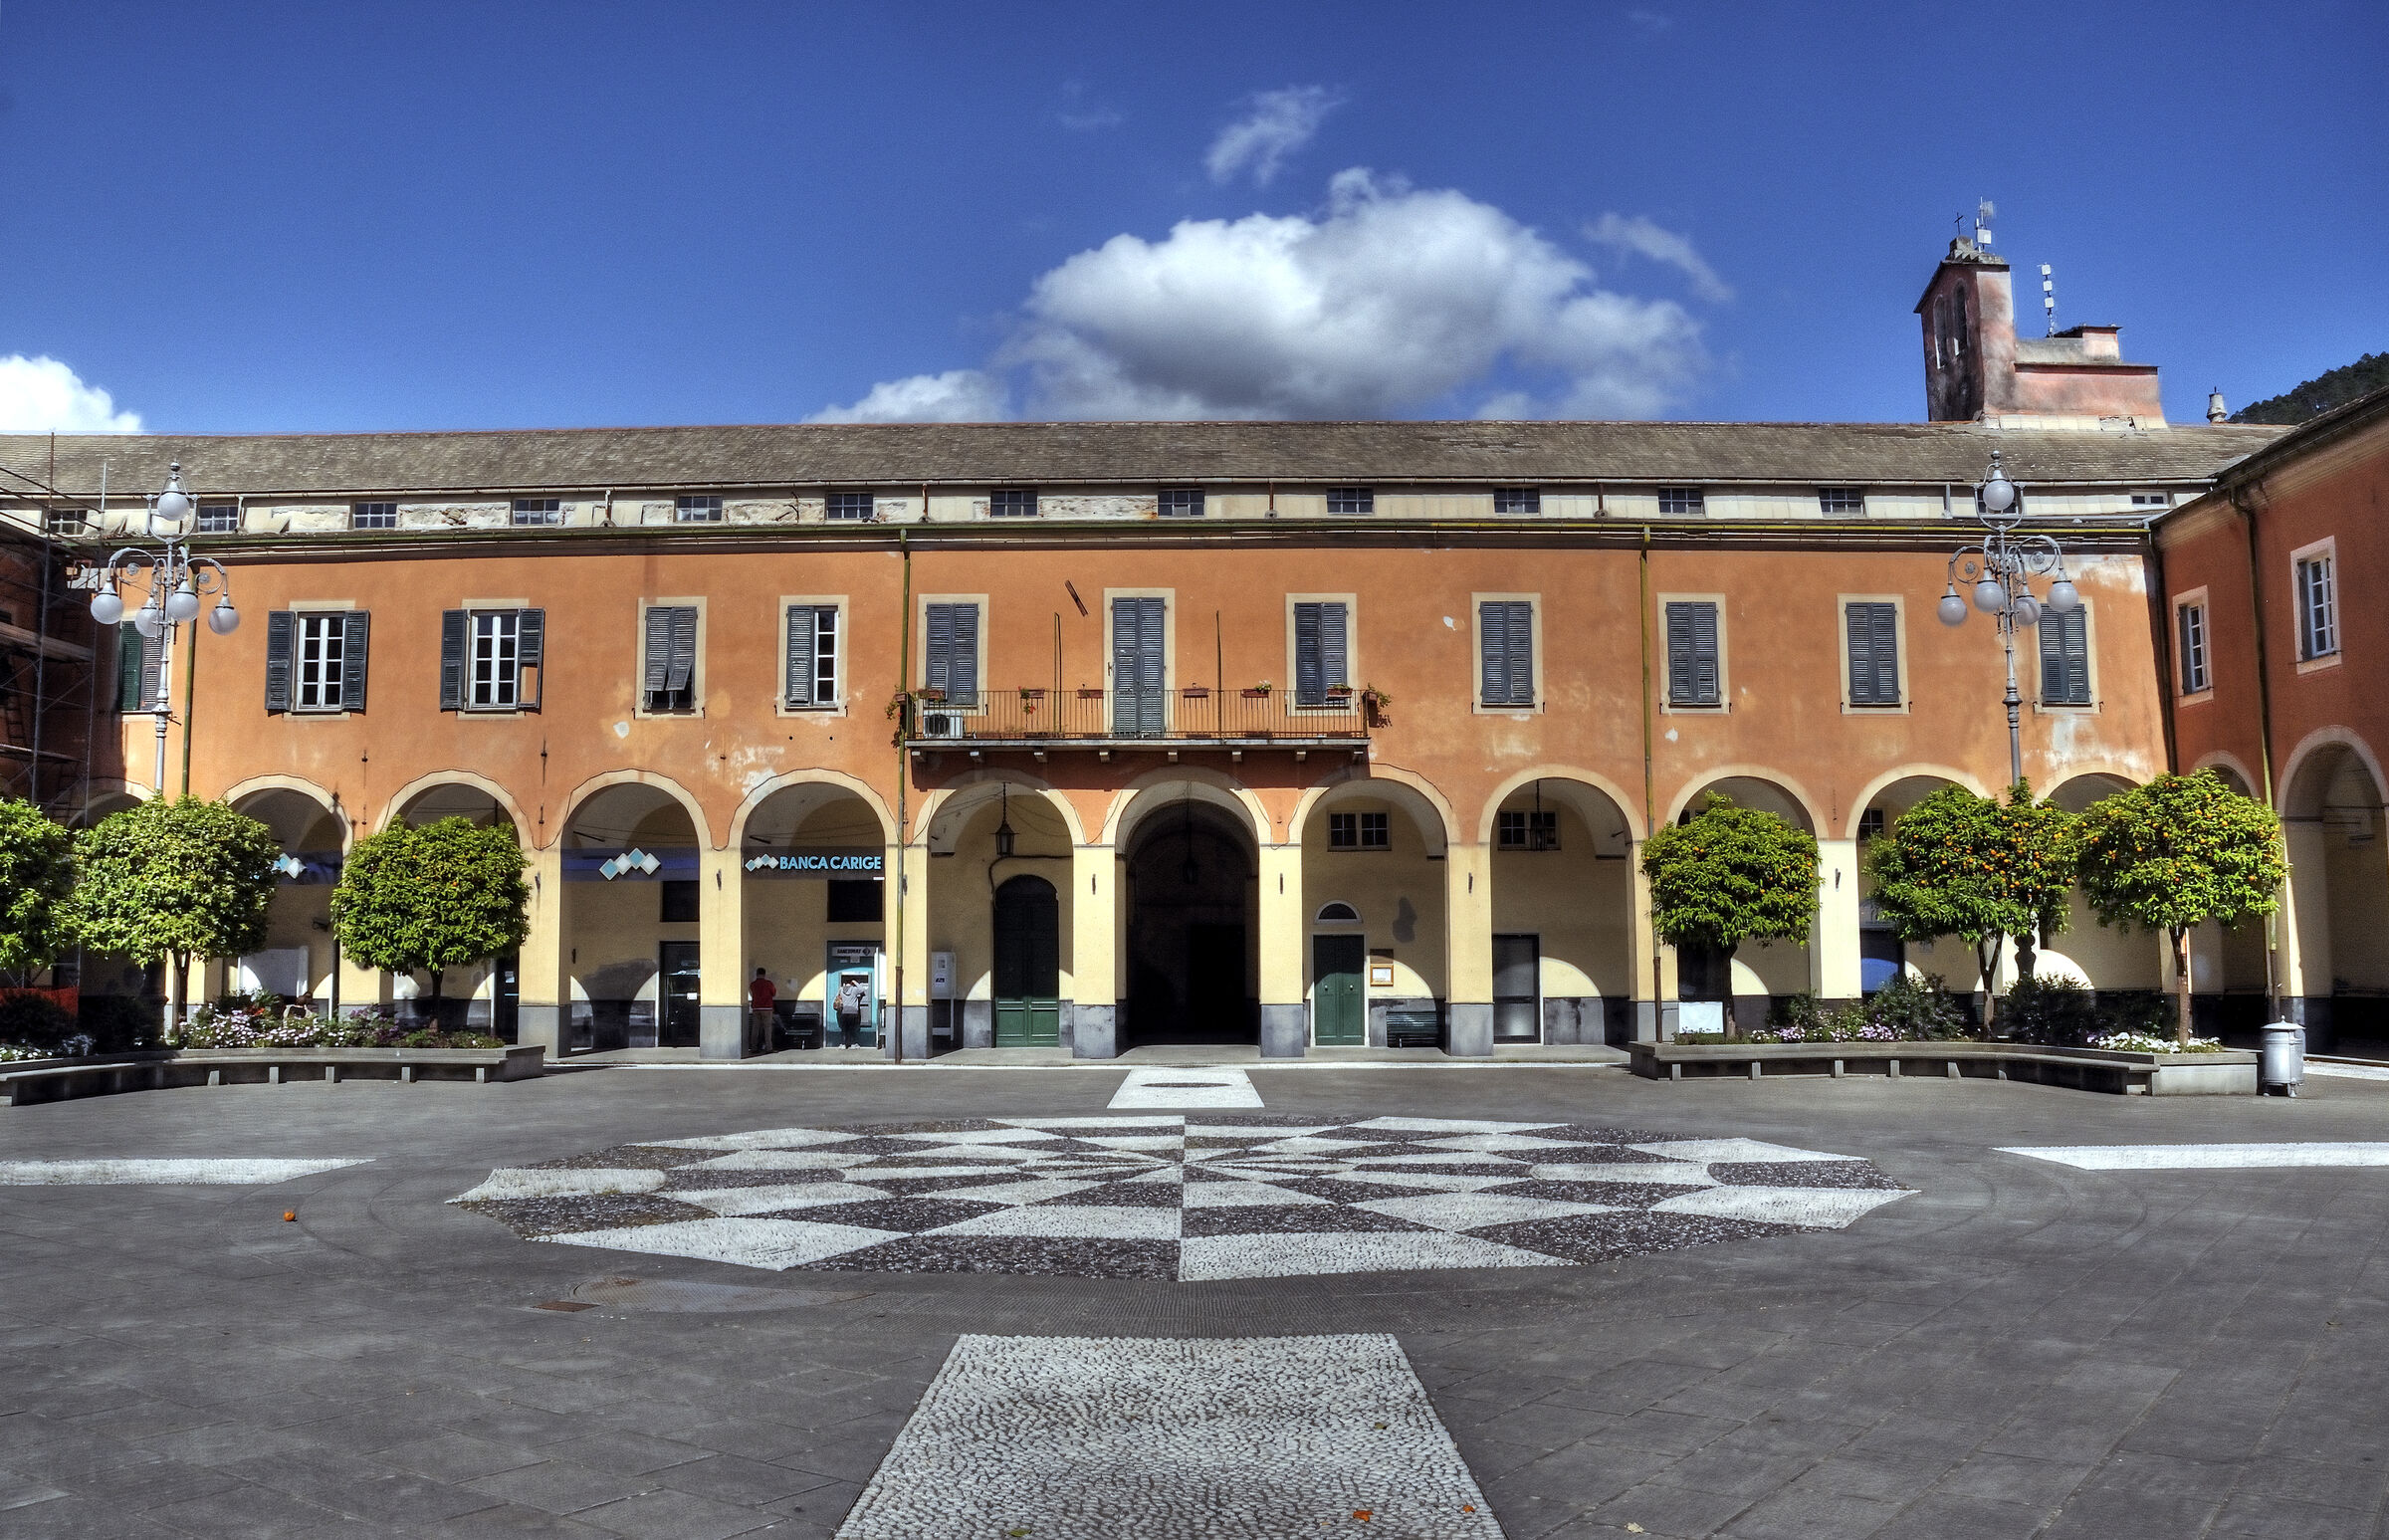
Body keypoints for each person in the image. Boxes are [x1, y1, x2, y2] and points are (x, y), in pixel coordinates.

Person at [749, 968, 776, 1053]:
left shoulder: (753, 984)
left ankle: (754, 1047)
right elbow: (774, 993)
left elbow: (752, 993)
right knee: (767, 1029)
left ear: (757, 974)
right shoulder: (768, 983)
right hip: (767, 1008)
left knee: (755, 1028)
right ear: (764, 974)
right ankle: (769, 1048)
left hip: (756, 1008)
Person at [835, 974, 866, 1048]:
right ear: (852, 983)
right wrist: (855, 982)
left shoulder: (841, 989)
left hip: (844, 1011)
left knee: (844, 1029)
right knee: (853, 1029)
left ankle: (843, 1044)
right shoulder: (855, 990)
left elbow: (837, 997)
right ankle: (853, 1044)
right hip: (853, 1012)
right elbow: (862, 990)